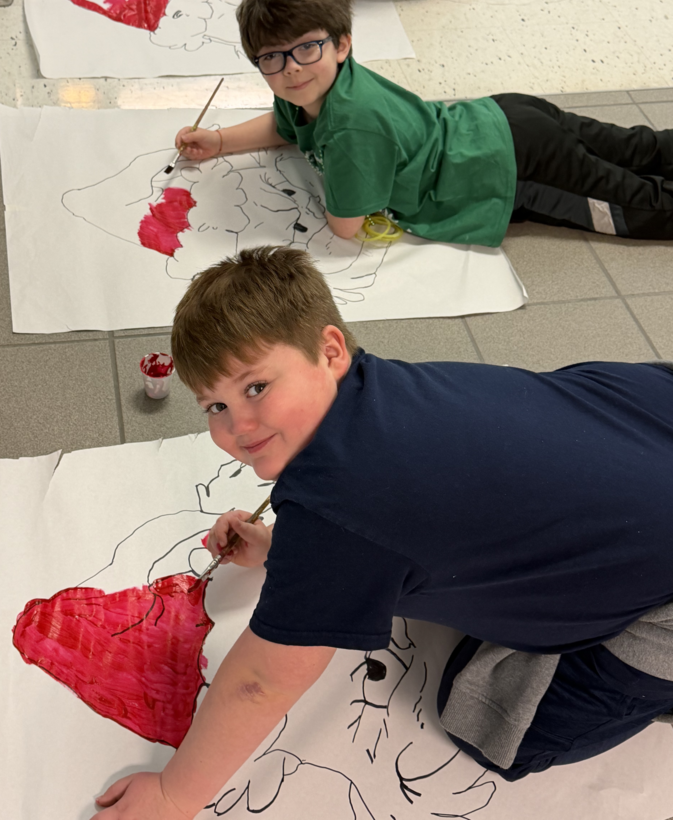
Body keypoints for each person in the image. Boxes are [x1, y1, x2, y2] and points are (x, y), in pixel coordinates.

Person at [91, 245, 673, 819]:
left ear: (330, 350)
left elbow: (260, 683)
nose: (238, 425)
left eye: (256, 388)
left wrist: (174, 796)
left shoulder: (340, 507)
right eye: (213, 406)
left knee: (490, 719)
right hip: (651, 413)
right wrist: (288, 555)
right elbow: (399, 512)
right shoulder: (375, 389)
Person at [173, 0, 673, 243]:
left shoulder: (351, 125)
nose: (291, 68)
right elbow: (283, 127)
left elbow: (345, 227)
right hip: (504, 115)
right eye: (273, 58)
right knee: (637, 146)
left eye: (307, 48)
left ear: (343, 43)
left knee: (638, 206)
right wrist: (218, 142)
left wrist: (334, 176)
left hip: (511, 167)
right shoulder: (312, 86)